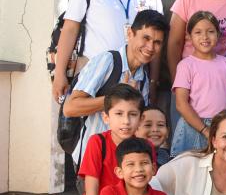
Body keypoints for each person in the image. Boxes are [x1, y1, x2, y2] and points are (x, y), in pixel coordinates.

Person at [47, 84, 153, 195]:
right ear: (106, 117)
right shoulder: (98, 142)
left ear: (141, 119)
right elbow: (91, 185)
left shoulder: (145, 147)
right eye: (119, 114)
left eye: (132, 114)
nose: (126, 121)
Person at [61, 9, 168, 166]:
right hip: (93, 163)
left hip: (120, 165)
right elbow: (70, 108)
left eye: (157, 42)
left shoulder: (143, 78)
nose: (150, 47)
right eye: (146, 38)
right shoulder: (108, 61)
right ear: (130, 34)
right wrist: (117, 98)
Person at [172, 11, 226, 157]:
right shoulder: (186, 65)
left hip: (222, 126)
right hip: (193, 125)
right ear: (189, 36)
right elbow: (181, 103)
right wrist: (204, 129)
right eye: (198, 32)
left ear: (218, 34)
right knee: (191, 167)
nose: (205, 37)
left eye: (210, 31)